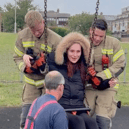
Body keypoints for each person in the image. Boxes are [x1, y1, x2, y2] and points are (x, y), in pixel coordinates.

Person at [13, 10, 62, 129]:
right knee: (26, 119)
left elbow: (61, 64)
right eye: (32, 30)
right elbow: (16, 57)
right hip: (31, 85)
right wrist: (25, 66)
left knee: (47, 118)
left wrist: (46, 65)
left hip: (48, 85)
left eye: (39, 30)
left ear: (43, 22)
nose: (36, 33)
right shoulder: (22, 36)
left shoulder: (56, 39)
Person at [47, 32, 98, 129]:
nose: (75, 55)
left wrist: (107, 82)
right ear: (66, 50)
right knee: (78, 123)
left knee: (92, 123)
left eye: (78, 51)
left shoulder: (83, 66)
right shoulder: (57, 64)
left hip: (79, 107)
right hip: (61, 107)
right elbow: (48, 60)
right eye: (72, 51)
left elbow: (98, 82)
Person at [85, 19, 125, 129]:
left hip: (108, 86)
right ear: (90, 31)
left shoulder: (114, 43)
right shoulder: (83, 43)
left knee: (102, 120)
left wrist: (101, 77)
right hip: (88, 86)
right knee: (83, 116)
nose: (97, 39)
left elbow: (121, 64)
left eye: (101, 36)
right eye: (95, 35)